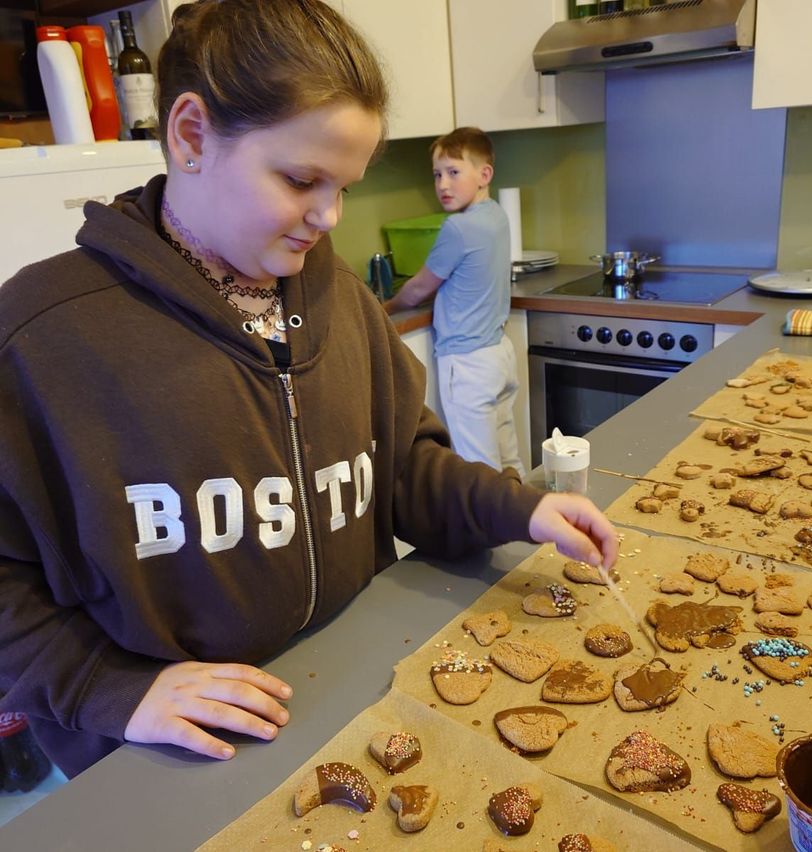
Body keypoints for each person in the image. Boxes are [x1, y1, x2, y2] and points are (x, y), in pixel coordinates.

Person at [0, 0, 617, 780]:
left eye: (345, 187)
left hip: (353, 702)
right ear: (191, 136)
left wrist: (519, 507)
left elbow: (401, 469)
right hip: (173, 763)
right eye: (301, 179)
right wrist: (108, 687)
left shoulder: (338, 297)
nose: (328, 216)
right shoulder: (42, 336)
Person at [383, 127, 524, 476]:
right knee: (508, 461)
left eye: (453, 172)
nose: (443, 184)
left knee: (480, 474)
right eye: (437, 174)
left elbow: (418, 289)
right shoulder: (497, 215)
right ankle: (524, 511)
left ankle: (496, 516)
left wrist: (383, 309)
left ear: (484, 175)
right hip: (499, 355)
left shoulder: (458, 228)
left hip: (467, 362)